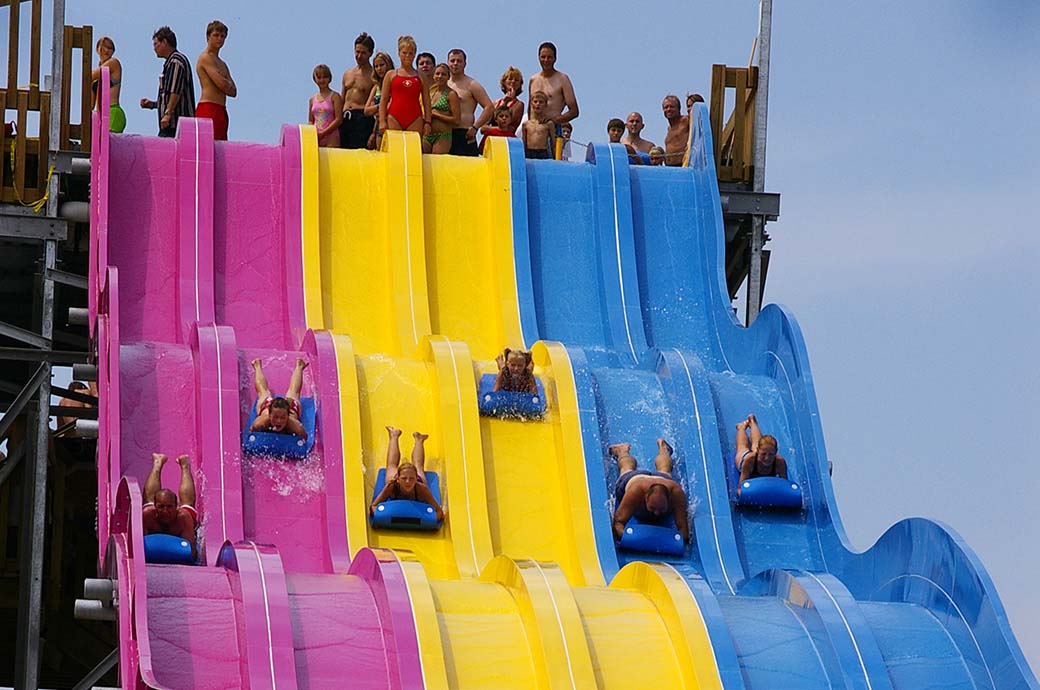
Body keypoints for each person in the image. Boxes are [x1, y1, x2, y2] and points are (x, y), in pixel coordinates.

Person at [610, 439, 689, 543]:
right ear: (645, 497)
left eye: (661, 509)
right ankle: (622, 450)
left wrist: (678, 541)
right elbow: (618, 522)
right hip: (635, 479)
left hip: (662, 479)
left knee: (665, 471)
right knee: (626, 468)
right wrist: (628, 539)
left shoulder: (676, 493)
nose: (656, 513)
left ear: (669, 498)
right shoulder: (635, 492)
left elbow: (684, 529)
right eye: (652, 508)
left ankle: (664, 448)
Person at [370, 426, 443, 521]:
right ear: (398, 479)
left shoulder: (422, 489)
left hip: (418, 484)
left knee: (418, 466)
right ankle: (394, 435)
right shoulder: (391, 487)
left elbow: (439, 512)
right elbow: (373, 506)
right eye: (404, 478)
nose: (408, 482)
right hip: (395, 483)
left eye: (412, 478)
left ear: (416, 478)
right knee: (391, 465)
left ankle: (419, 439)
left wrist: (431, 520)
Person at [140, 26, 195, 137]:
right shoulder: (170, 62)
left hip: (176, 125)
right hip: (172, 124)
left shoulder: (176, 61)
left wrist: (168, 113)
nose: (154, 48)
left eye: (156, 44)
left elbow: (175, 91)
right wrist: (154, 104)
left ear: (164, 42)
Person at [142, 453, 199, 560]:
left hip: (181, 519)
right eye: (161, 507)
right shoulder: (148, 515)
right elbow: (136, 549)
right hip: (152, 512)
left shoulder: (183, 517)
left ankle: (185, 465)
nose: (165, 511)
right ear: (156, 507)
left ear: (176, 507)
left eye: (169, 507)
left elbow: (192, 554)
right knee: (148, 501)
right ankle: (157, 463)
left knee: (188, 505)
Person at [379, 35, 432, 137]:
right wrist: (382, 120)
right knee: (395, 147)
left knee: (413, 148)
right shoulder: (391, 75)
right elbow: (384, 99)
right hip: (394, 117)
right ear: (399, 53)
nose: (407, 56)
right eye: (404, 53)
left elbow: (427, 101)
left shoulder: (421, 76)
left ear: (414, 55)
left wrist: (428, 123)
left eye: (410, 53)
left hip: (415, 118)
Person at [194, 20, 237, 141]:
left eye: (222, 36)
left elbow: (233, 91)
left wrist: (224, 82)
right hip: (208, 108)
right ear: (208, 36)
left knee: (221, 148)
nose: (220, 39)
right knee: (206, 145)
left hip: (222, 110)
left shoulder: (222, 64)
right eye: (216, 35)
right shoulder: (205, 57)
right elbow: (222, 84)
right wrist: (225, 82)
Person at [446, 48, 493, 156]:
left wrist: (475, 127)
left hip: (465, 133)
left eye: (459, 61)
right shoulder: (444, 85)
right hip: (446, 134)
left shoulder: (471, 84)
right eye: (452, 61)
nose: (455, 64)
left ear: (465, 64)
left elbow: (489, 107)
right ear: (448, 63)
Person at [528, 41, 579, 138]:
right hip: (534, 131)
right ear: (538, 57)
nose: (546, 60)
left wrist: (554, 119)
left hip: (553, 130)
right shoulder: (533, 79)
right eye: (543, 57)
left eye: (549, 57)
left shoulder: (562, 79)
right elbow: (530, 109)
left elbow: (574, 111)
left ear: (555, 59)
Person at [250, 358, 309, 438]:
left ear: (288, 416)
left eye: (283, 418)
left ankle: (299, 366)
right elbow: (252, 431)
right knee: (262, 392)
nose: (279, 421)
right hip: (268, 405)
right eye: (275, 417)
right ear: (270, 415)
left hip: (290, 406)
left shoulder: (295, 426)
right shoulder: (261, 423)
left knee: (294, 392)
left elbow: (304, 437)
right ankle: (257, 366)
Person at [734, 414, 788, 494]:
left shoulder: (780, 462)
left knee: (759, 443)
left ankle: (752, 422)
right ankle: (741, 428)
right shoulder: (749, 460)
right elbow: (740, 488)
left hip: (758, 452)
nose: (767, 458)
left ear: (776, 452)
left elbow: (785, 486)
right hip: (746, 459)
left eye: (771, 454)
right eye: (763, 454)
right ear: (758, 451)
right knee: (742, 447)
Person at [339, 32, 376, 149]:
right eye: (357, 52)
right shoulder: (347, 74)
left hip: (362, 119)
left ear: (370, 53)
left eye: (363, 53)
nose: (359, 56)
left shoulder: (373, 76)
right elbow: (342, 99)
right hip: (345, 118)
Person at [476, 66, 524, 135]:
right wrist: (505, 102)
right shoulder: (495, 103)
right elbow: (483, 128)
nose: (513, 81)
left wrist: (491, 128)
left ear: (520, 84)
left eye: (516, 80)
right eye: (510, 79)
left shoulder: (519, 105)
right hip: (492, 139)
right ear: (504, 82)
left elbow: (507, 127)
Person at [91, 36, 125, 133]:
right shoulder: (96, 76)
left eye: (110, 48)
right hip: (101, 115)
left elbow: (90, 75)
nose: (107, 50)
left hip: (113, 111)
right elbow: (91, 105)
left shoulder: (114, 63)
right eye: (104, 47)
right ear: (97, 49)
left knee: (107, 145)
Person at [424, 63, 459, 154]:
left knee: (437, 162)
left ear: (448, 77)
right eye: (437, 74)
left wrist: (436, 115)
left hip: (442, 136)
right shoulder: (431, 93)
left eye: (443, 74)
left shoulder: (451, 94)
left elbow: (456, 120)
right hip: (427, 135)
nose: (440, 76)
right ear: (433, 76)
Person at [662, 92, 703, 167]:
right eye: (666, 107)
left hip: (683, 166)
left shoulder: (686, 120)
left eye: (672, 107)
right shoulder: (669, 129)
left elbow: (698, 115)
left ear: (679, 109)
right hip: (669, 167)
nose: (668, 109)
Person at [364, 51, 394, 149]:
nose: (379, 69)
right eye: (376, 66)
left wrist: (380, 108)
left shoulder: (394, 83)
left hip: (392, 124)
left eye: (381, 65)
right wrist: (380, 106)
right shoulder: (376, 87)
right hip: (378, 127)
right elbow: (366, 110)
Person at [309, 64, 342, 148]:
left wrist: (323, 133)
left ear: (329, 78)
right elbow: (310, 121)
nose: (322, 80)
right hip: (316, 136)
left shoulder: (335, 96)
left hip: (331, 136)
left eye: (325, 77)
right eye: (319, 77)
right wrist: (312, 134)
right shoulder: (312, 99)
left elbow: (338, 119)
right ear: (315, 79)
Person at [522, 91, 554, 159]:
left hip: (543, 152)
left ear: (545, 105)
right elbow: (523, 143)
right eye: (535, 101)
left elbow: (553, 142)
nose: (538, 104)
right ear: (531, 104)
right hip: (529, 152)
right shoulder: (526, 124)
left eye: (541, 102)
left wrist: (555, 157)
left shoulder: (549, 124)